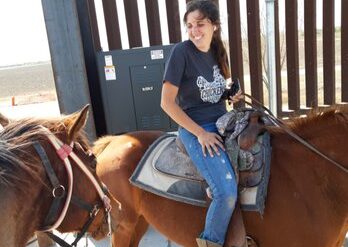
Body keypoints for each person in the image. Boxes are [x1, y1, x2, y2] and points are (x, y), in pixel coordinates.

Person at [161, 1, 247, 247]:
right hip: (197, 127)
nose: (194, 30)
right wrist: (200, 134)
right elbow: (167, 103)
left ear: (214, 26)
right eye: (190, 25)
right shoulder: (181, 53)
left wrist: (231, 96)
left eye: (200, 24)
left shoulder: (218, 52)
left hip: (224, 122)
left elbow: (216, 92)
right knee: (226, 192)